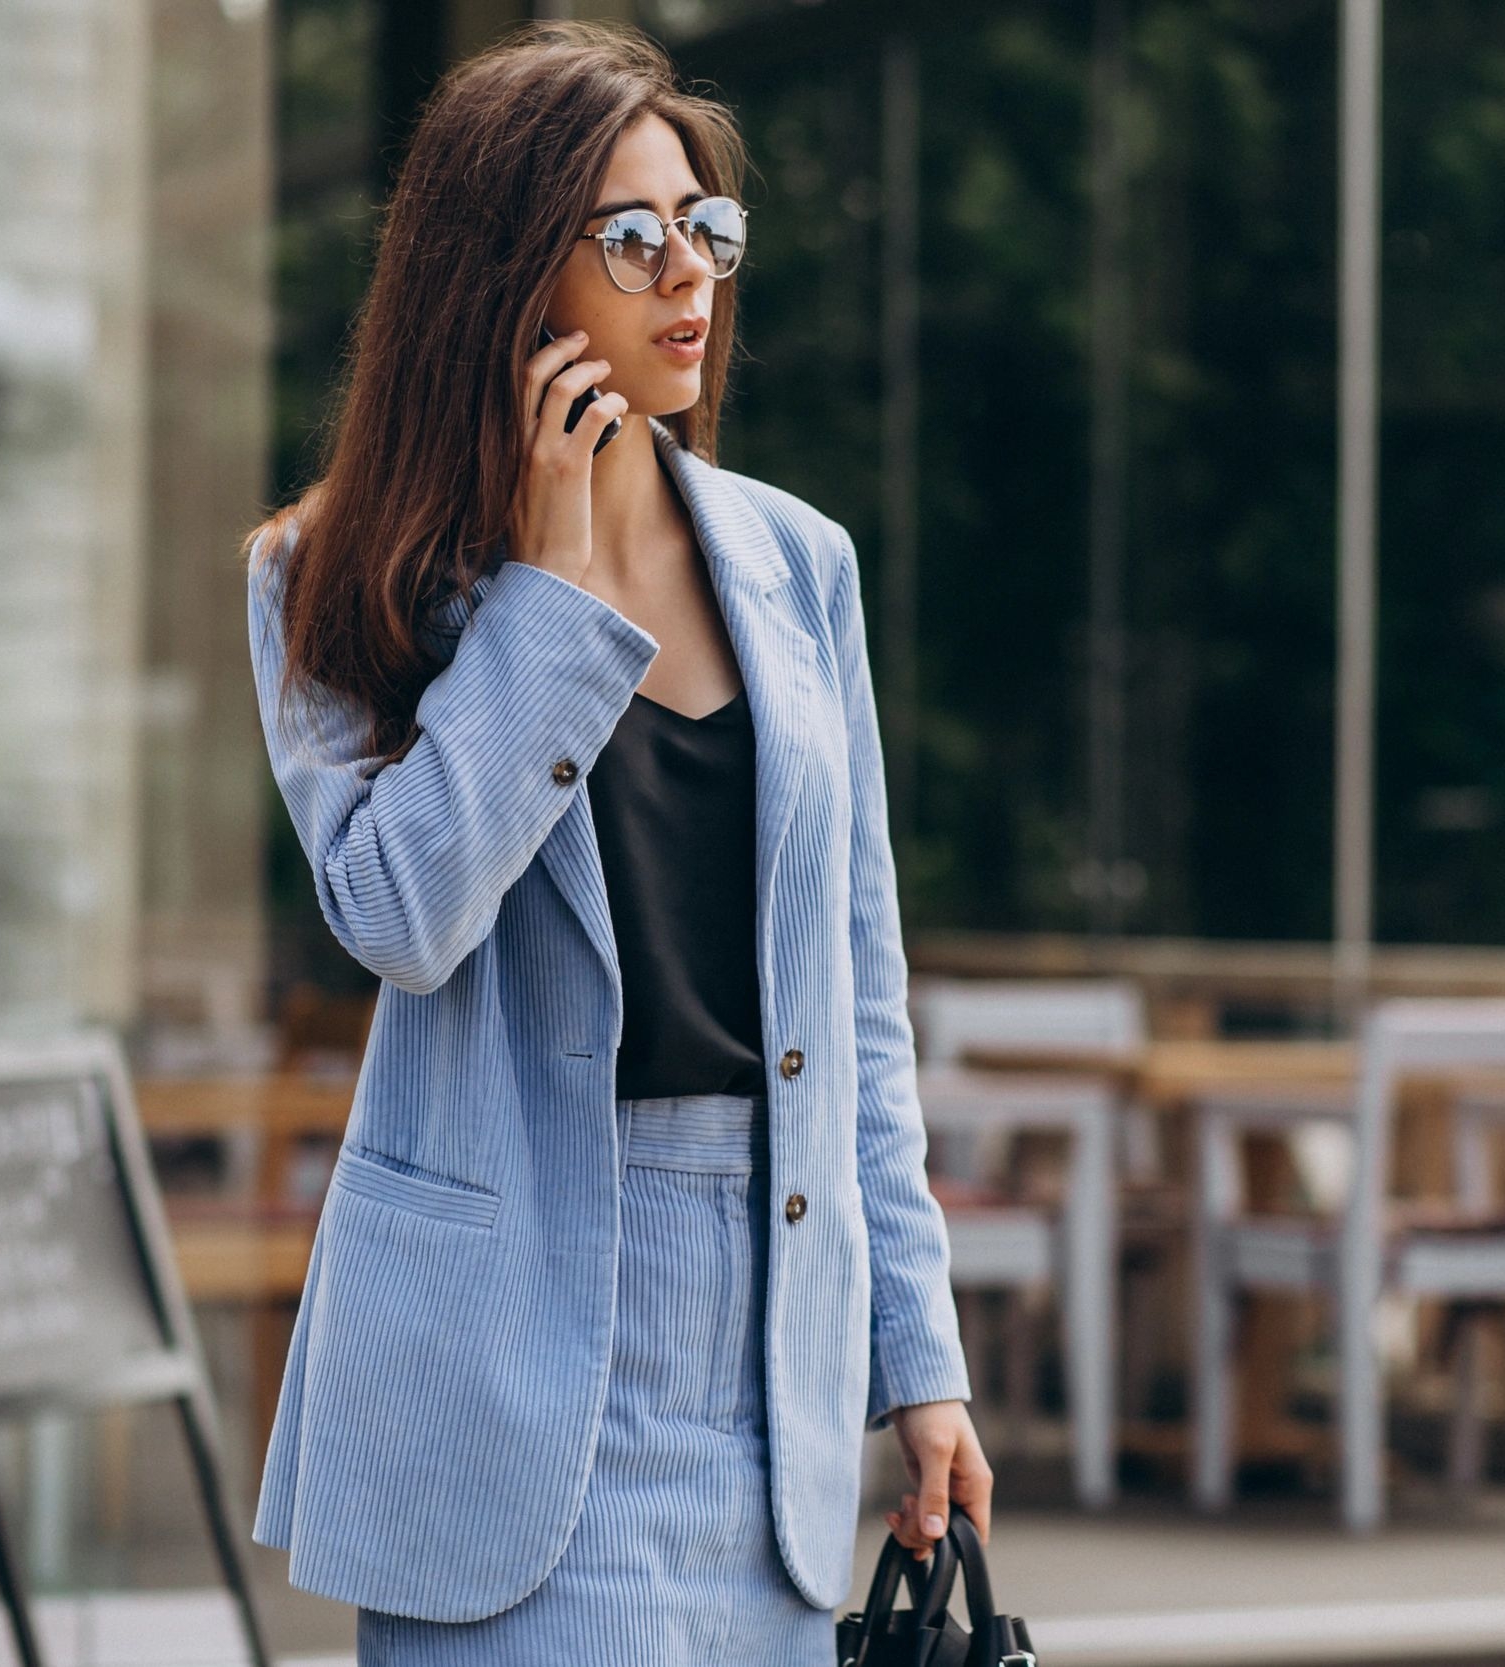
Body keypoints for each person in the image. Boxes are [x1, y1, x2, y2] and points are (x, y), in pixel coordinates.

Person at [240, 18, 991, 1662]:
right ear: (506, 275)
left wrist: (918, 1358)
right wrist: (546, 600)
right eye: (634, 236)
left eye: (707, 228)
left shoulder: (801, 567)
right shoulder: (336, 573)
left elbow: (858, 1000)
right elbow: (400, 915)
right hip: (500, 1363)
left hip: (769, 1348)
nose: (689, 273)